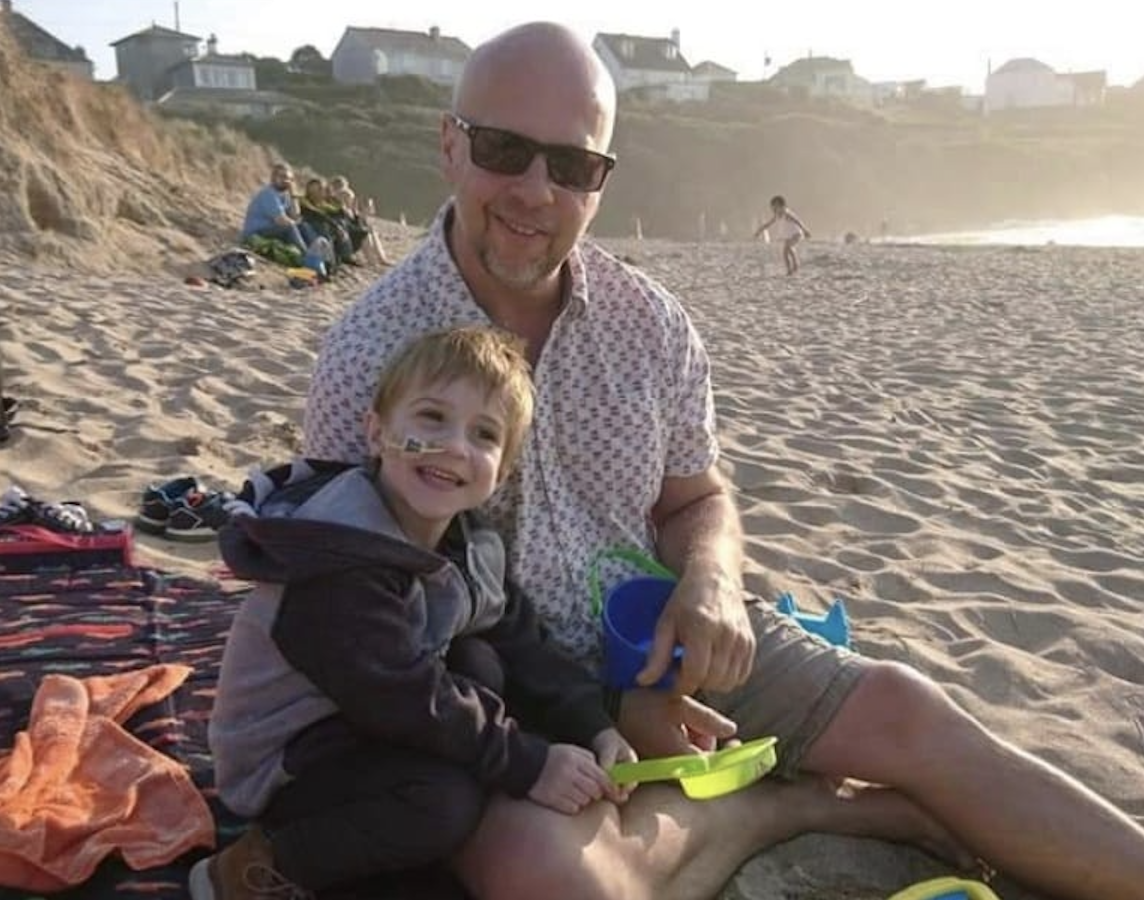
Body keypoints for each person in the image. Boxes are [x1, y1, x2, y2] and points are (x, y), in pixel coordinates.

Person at [303, 22, 1144, 900]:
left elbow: (696, 498)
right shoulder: (371, 347)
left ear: (602, 182)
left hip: (665, 635)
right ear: (450, 144)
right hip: (500, 690)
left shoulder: (650, 325)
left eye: (573, 166)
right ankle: (782, 809)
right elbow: (355, 595)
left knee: (905, 709)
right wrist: (592, 712)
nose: (535, 191)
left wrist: (709, 582)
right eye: (504, 150)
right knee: (541, 873)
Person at [192, 325, 638, 900]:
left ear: (501, 473)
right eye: (431, 418)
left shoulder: (467, 541)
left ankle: (388, 842)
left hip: (365, 716)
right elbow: (398, 693)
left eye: (484, 434)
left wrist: (593, 724)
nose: (454, 446)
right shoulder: (338, 556)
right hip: (287, 757)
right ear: (377, 432)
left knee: (484, 660)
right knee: (443, 801)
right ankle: (256, 870)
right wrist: (526, 763)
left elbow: (521, 641)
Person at [240, 162, 314, 255]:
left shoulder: (285, 195)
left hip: (271, 230)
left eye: (290, 179)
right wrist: (294, 224)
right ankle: (307, 256)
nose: (286, 181)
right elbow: (282, 221)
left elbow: (295, 215)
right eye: (282, 177)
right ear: (273, 177)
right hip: (255, 234)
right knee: (290, 227)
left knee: (303, 226)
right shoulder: (268, 194)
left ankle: (318, 254)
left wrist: (293, 195)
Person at [754, 194, 811, 275]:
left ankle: (793, 267)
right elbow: (768, 224)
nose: (776, 207)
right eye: (774, 206)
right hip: (789, 235)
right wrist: (759, 231)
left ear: (782, 205)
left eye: (777, 205)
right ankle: (792, 267)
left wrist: (805, 230)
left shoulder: (786, 213)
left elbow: (797, 220)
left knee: (787, 250)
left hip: (796, 234)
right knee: (787, 251)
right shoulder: (777, 215)